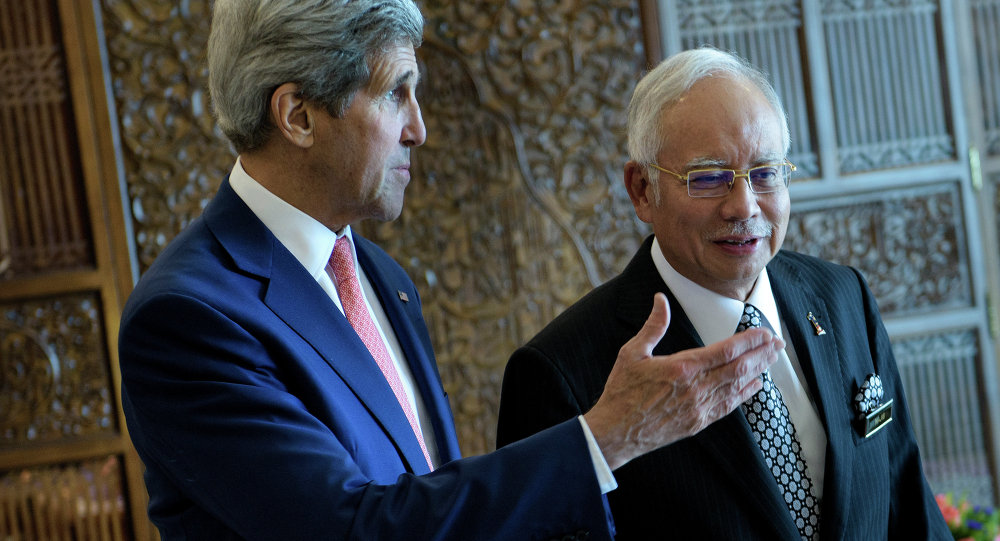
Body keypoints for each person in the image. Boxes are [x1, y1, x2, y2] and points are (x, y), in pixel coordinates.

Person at [116, 3, 787, 540]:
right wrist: (607, 435)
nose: (419, 128)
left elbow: (437, 497)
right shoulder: (187, 318)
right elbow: (349, 526)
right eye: (396, 93)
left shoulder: (379, 274)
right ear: (297, 115)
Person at [496, 47, 951, 540]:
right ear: (642, 190)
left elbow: (910, 507)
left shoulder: (844, 299)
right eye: (708, 178)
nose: (744, 205)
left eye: (765, 173)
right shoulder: (559, 373)